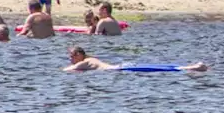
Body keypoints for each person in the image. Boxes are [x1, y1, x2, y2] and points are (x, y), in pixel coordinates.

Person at [63, 46, 207, 72]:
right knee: (158, 68)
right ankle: (192, 67)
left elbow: (70, 70)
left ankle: (194, 67)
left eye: (72, 56)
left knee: (158, 69)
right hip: (123, 66)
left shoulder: (85, 62)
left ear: (79, 55)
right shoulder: (91, 60)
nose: (71, 59)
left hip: (121, 68)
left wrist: (60, 70)